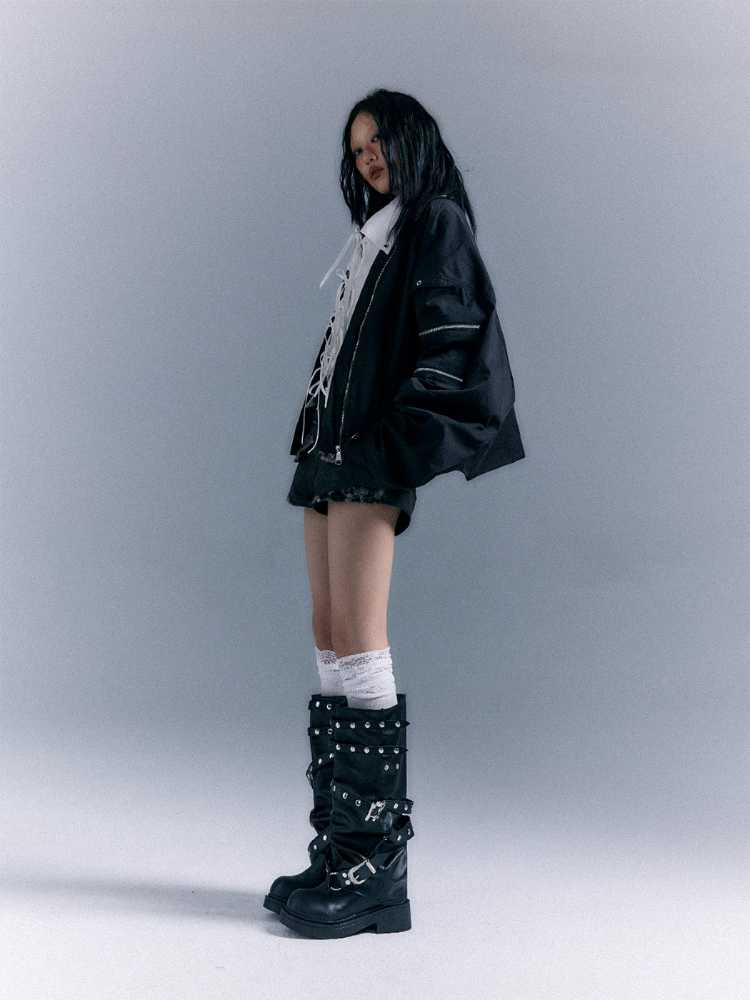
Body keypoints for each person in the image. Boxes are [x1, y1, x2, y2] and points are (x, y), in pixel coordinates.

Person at [264, 88, 525, 938]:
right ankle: (341, 847)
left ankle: (377, 871)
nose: (367, 157)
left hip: (368, 457)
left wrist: (392, 443)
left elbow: (454, 341)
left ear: (412, 140)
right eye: (356, 149)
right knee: (329, 632)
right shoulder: (376, 234)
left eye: (378, 141)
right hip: (329, 452)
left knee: (361, 637)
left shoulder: (433, 221)